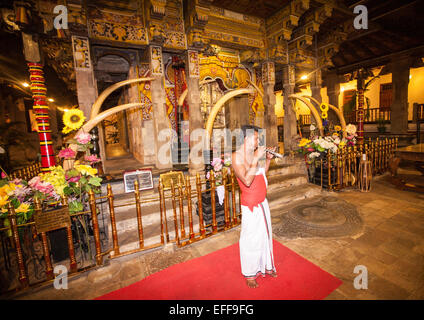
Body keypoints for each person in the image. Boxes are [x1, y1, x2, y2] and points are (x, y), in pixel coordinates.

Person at [231, 125, 277, 288]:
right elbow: (247, 180)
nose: (258, 141)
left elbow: (260, 173)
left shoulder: (252, 155)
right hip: (250, 205)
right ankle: (250, 274)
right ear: (247, 138)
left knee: (264, 236)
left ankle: (265, 265)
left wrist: (268, 160)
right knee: (251, 239)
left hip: (262, 203)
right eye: (256, 138)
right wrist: (257, 157)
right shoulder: (236, 156)